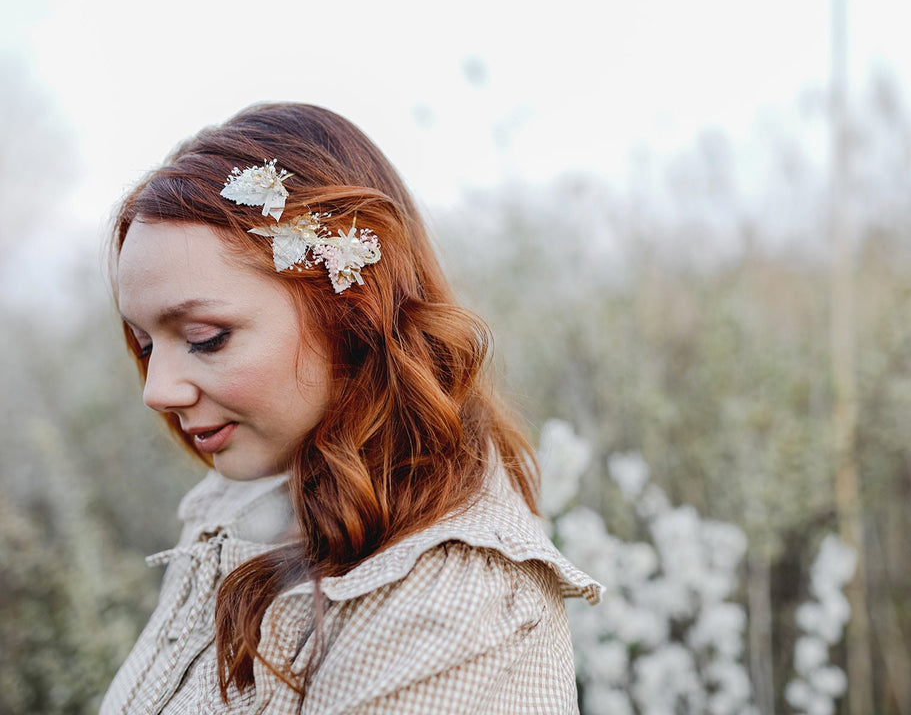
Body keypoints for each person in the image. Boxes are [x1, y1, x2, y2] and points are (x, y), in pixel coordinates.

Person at [100, 102, 601, 714]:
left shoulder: (448, 607)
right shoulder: (235, 501)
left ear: (350, 314)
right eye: (145, 345)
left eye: (206, 338)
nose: (156, 390)